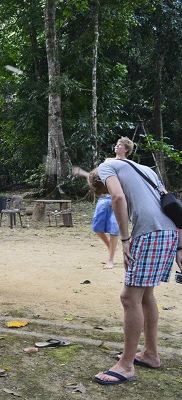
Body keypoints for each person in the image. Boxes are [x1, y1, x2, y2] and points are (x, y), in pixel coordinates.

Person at [87, 158, 181, 385]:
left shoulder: (106, 167)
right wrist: (179, 246)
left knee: (129, 297)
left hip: (149, 233)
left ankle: (126, 366)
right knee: (145, 296)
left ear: (99, 181)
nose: (107, 194)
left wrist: (125, 239)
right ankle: (150, 354)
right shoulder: (146, 169)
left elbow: (119, 198)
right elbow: (173, 206)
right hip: (168, 232)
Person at [72, 137, 134, 269]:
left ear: (126, 149)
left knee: (114, 229)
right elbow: (96, 178)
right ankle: (111, 248)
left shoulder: (128, 165)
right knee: (97, 228)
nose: (117, 146)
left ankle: (110, 260)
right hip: (105, 198)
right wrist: (82, 172)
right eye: (117, 144)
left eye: (120, 145)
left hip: (119, 200)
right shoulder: (108, 161)